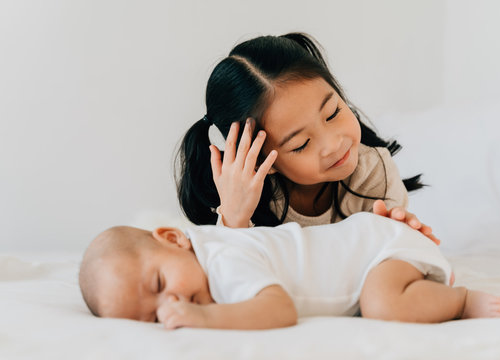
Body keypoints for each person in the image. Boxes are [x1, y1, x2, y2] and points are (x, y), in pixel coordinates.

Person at [176, 32, 438, 244]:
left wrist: (403, 241)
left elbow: (393, 263)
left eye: (333, 112)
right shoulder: (248, 197)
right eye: (300, 144)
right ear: (260, 161)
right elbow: (229, 278)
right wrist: (234, 218)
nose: (333, 144)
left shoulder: (372, 170)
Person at [79, 213, 500, 330]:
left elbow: (278, 309)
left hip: (379, 250)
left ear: (174, 239)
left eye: (159, 285)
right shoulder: (208, 257)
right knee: (378, 302)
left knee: (383, 305)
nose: (170, 304)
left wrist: (205, 318)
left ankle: (460, 300)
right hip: (373, 244)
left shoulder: (221, 259)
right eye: (151, 316)